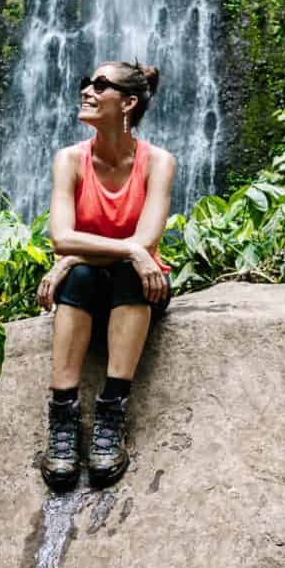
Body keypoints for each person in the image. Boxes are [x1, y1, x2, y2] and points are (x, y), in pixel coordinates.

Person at [36, 61, 176, 490]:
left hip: (141, 280)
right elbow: (61, 236)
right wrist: (98, 254)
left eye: (100, 85)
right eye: (86, 83)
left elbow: (146, 243)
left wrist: (77, 256)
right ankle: (63, 413)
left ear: (129, 102)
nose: (87, 91)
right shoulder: (69, 160)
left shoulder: (159, 162)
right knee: (81, 280)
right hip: (95, 278)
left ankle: (111, 414)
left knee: (130, 275)